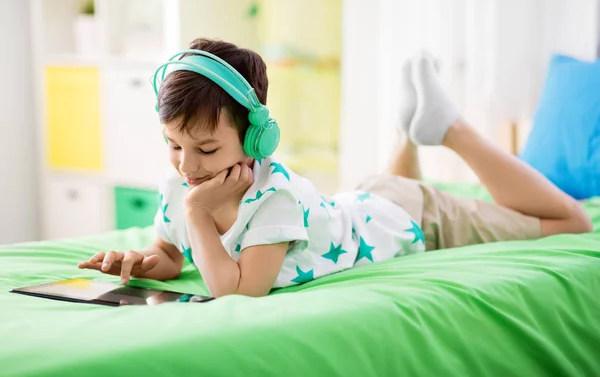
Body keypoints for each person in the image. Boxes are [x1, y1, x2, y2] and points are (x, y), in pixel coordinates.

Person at [78, 39, 592, 298]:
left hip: (413, 216)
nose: (186, 167)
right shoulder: (184, 184)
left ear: (258, 138)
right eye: (173, 146)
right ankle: (407, 132)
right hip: (371, 199)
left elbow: (235, 290)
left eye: (206, 151)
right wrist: (142, 260)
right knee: (395, 186)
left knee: (571, 222)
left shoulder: (270, 197)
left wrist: (196, 212)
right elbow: (173, 251)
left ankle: (450, 129)